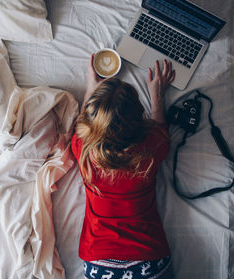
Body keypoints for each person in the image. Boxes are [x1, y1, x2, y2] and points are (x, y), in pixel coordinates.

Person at [71, 53, 175, 279]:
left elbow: (81, 123)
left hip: (99, 260)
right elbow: (159, 127)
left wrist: (91, 86)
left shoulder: (84, 151)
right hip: (149, 257)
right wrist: (157, 95)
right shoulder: (151, 150)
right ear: (138, 120)